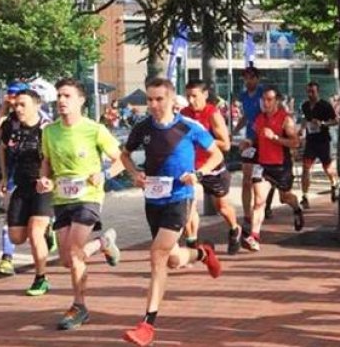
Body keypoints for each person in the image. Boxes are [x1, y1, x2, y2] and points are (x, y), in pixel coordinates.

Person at [121, 78, 224, 347]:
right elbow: (124, 154)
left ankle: (147, 324)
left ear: (171, 99)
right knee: (173, 259)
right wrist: (134, 174)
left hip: (180, 198)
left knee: (157, 255)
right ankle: (203, 253)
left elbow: (216, 154)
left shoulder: (189, 127)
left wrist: (198, 173)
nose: (154, 105)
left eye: (159, 99)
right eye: (150, 100)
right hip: (153, 198)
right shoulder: (142, 128)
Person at [37, 78, 124, 331]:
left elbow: (121, 159)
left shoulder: (94, 129)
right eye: (59, 96)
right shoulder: (49, 131)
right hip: (62, 198)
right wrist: (44, 179)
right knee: (67, 260)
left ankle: (79, 307)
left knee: (75, 252)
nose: (61, 101)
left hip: (89, 196)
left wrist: (105, 174)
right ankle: (103, 243)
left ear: (81, 101)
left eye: (67, 96)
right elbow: (46, 162)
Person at [0, 88, 54, 296]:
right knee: (16, 237)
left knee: (34, 232)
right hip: (21, 186)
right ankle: (50, 232)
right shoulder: (12, 128)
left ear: (37, 106)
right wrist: (4, 176)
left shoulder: (47, 129)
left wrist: (51, 180)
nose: (19, 109)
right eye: (16, 105)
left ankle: (41, 278)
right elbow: (1, 148)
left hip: (42, 186)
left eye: (23, 105)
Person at [180, 80, 242, 255]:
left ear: (205, 95)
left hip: (211, 166)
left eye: (195, 96)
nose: (191, 101)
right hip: (191, 167)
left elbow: (226, 145)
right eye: (188, 96)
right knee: (188, 207)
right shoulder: (184, 114)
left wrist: (201, 138)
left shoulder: (212, 114)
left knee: (222, 207)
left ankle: (234, 228)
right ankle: (192, 244)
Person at [242, 86, 304, 249]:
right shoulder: (259, 118)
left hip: (281, 166)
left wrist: (275, 137)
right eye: (264, 99)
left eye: (269, 99)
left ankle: (297, 208)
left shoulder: (286, 119)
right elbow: (255, 138)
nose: (266, 103)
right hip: (262, 165)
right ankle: (254, 237)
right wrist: (248, 143)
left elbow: (296, 143)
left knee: (285, 198)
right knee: (259, 201)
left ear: (277, 101)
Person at [234, 67, 265, 234]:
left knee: (261, 179)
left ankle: (263, 205)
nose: (248, 81)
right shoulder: (244, 96)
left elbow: (266, 115)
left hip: (263, 141)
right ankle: (247, 215)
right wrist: (234, 130)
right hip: (248, 141)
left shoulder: (263, 94)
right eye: (246, 78)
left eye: (251, 78)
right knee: (246, 178)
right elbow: (246, 116)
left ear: (257, 79)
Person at [300, 81, 339, 207]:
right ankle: (304, 196)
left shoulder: (325, 105)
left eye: (313, 92)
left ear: (318, 92)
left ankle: (334, 184)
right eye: (308, 91)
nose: (310, 94)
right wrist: (301, 130)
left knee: (327, 168)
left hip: (323, 140)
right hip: (311, 141)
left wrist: (322, 124)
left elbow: (335, 121)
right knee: (305, 168)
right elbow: (305, 119)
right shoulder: (305, 105)